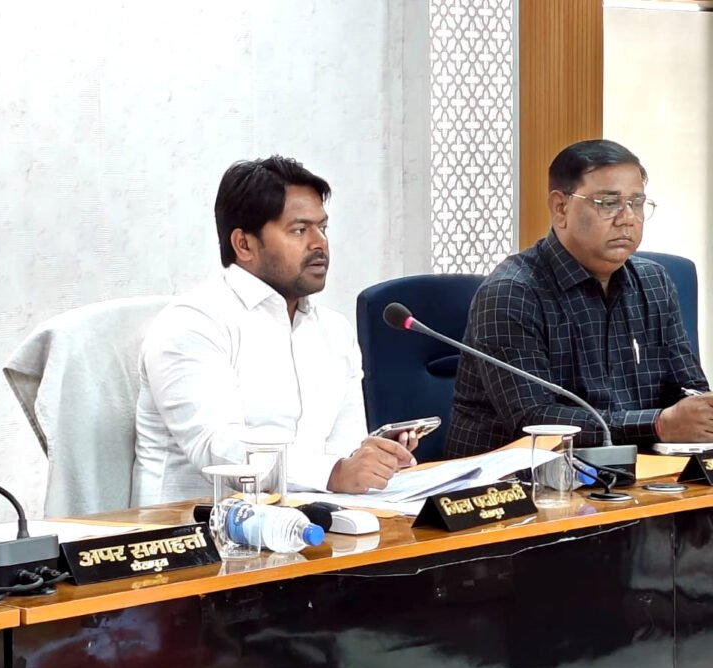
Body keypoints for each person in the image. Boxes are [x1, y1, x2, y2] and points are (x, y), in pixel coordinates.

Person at [133, 155, 418, 506]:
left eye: (323, 228)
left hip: (306, 522)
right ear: (244, 244)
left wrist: (372, 461)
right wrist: (334, 473)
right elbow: (219, 450)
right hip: (189, 528)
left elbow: (343, 449)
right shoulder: (193, 323)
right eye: (299, 230)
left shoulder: (334, 330)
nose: (319, 243)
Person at [447, 139, 710, 458]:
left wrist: (699, 415)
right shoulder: (512, 293)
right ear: (561, 208)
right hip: (522, 478)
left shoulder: (654, 282)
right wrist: (657, 425)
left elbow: (688, 388)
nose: (628, 218)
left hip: (636, 473)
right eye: (608, 203)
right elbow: (534, 422)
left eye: (637, 203)